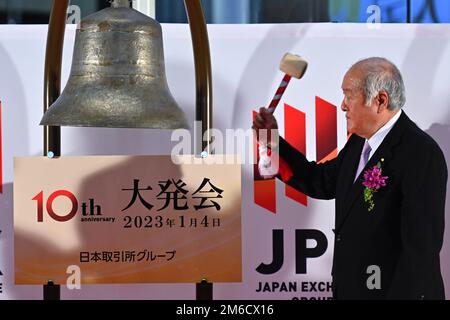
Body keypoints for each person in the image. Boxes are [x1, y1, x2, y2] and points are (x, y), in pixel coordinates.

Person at [252, 57, 448, 300]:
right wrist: (271, 141)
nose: (343, 106)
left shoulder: (420, 153)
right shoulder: (358, 142)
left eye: (349, 96)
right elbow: (321, 181)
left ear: (380, 100)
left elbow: (419, 251)